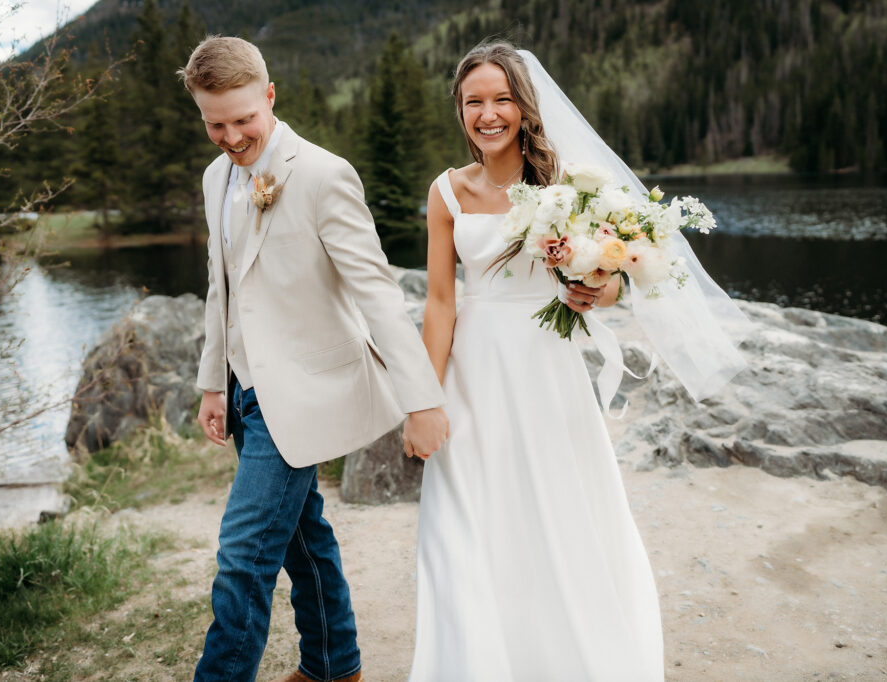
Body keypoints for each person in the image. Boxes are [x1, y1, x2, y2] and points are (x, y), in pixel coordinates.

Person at [410, 42, 702, 681]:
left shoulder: (569, 182)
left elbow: (617, 271)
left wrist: (599, 288)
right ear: (459, 110)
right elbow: (439, 301)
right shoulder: (446, 192)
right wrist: (423, 400)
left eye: (500, 99)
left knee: (557, 513)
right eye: (473, 102)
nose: (488, 114)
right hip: (473, 375)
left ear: (523, 105)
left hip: (547, 368)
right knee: (459, 524)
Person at [178, 36, 449, 682]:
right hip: (245, 394)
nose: (232, 136)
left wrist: (423, 400)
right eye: (215, 124)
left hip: (304, 393)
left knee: (242, 555)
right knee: (302, 539)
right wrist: (213, 384)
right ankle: (334, 665)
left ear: (269, 97)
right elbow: (222, 288)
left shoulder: (324, 175)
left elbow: (377, 294)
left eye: (244, 119)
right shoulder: (216, 177)